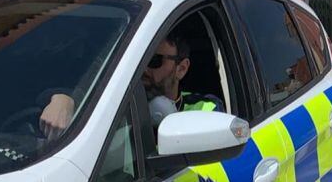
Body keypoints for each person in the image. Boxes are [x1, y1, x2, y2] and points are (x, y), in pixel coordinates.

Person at [39, 34, 222, 138]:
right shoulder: (119, 103)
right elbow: (91, 92)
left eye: (154, 60)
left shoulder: (204, 110)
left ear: (181, 68)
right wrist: (63, 98)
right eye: (138, 60)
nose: (143, 69)